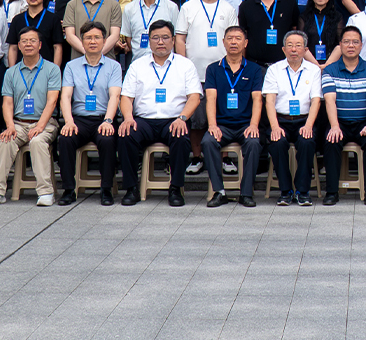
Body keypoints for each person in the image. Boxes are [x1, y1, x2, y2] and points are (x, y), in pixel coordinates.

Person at [117, 18, 203, 206]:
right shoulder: (137, 65)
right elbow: (126, 97)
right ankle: (131, 188)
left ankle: (176, 189)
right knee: (126, 134)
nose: (161, 42)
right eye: (155, 38)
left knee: (181, 137)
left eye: (165, 37)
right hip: (144, 121)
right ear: (149, 40)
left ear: (173, 40)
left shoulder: (185, 65)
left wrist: (182, 118)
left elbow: (195, 97)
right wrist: (128, 118)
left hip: (174, 119)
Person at [0, 27, 63, 207]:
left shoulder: (52, 69)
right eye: (24, 41)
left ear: (40, 45)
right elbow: (7, 103)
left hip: (45, 123)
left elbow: (52, 101)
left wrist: (40, 126)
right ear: (18, 46)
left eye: (32, 41)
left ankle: (46, 192)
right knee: (5, 141)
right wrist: (10, 126)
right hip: (18, 123)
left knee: (37, 142)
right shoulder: (11, 72)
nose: (28, 44)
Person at [56, 22, 125, 204]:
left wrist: (108, 120)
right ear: (82, 41)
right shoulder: (71, 66)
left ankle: (106, 189)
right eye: (88, 38)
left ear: (104, 40)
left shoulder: (114, 66)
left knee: (107, 140)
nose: (92, 41)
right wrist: (68, 121)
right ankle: (68, 190)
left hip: (104, 118)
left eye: (97, 37)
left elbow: (115, 96)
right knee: (66, 139)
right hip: (79, 119)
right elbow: (66, 96)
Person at [200, 27, 265, 208]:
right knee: (208, 141)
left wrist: (254, 125)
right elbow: (210, 98)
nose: (234, 42)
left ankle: (246, 193)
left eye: (238, 38)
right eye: (230, 38)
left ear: (245, 43)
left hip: (245, 125)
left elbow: (257, 99)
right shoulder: (213, 69)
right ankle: (219, 192)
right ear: (223, 42)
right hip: (222, 125)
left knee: (254, 143)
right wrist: (212, 125)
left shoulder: (254, 69)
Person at [318, 27, 366, 205]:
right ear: (340, 45)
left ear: (361, 45)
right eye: (346, 42)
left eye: (355, 42)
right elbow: (330, 101)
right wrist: (334, 126)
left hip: (364, 122)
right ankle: (332, 192)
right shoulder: (330, 70)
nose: (351, 45)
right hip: (339, 122)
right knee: (331, 141)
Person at [263, 29, 324, 206]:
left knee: (307, 142)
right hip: (280, 120)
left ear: (306, 49)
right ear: (283, 49)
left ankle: (302, 191)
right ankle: (285, 191)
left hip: (304, 120)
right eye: (290, 45)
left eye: (298, 45)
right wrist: (275, 127)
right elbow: (269, 101)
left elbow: (316, 101)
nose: (294, 49)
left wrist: (309, 125)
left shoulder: (313, 70)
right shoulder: (274, 70)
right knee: (277, 143)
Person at [176, 0, 239, 78]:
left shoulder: (229, 9)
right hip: (193, 73)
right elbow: (180, 39)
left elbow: (234, 39)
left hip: (223, 72)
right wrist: (183, 67)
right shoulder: (188, 7)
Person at [233, 0, 296, 69]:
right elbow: (243, 37)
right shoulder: (246, 6)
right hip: (255, 65)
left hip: (284, 65)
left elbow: (294, 31)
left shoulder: (289, 3)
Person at [294, 0, 347, 67]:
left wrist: (326, 66)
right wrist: (316, 66)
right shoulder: (304, 17)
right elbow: (301, 44)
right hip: (308, 65)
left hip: (332, 64)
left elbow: (341, 43)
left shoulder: (337, 17)